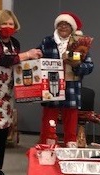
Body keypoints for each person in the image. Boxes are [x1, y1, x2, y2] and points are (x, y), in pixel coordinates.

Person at [0, 9, 42, 175]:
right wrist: (27, 55)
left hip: (5, 92)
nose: (7, 26)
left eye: (10, 23)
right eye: (4, 23)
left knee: (3, 130)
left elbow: (16, 64)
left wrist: (32, 60)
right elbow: (2, 59)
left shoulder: (15, 43)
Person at [37, 12, 94, 147]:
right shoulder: (47, 42)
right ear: (56, 27)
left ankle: (70, 146)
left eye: (66, 24)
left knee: (71, 121)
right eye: (60, 24)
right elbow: (37, 59)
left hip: (72, 87)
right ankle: (47, 146)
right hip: (51, 86)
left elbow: (89, 66)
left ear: (72, 28)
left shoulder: (80, 44)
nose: (63, 27)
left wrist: (77, 66)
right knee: (49, 120)